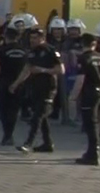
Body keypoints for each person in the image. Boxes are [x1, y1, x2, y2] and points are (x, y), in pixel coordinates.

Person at [11, 27, 63, 155]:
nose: (32, 40)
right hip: (35, 87)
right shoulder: (32, 52)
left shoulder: (51, 51)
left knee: (37, 117)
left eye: (35, 38)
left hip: (48, 87)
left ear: (42, 38)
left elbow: (60, 70)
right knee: (41, 115)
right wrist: (16, 83)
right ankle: (47, 143)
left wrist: (43, 70)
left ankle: (28, 143)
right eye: (31, 38)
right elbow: (27, 69)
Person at [72, 33, 100, 166]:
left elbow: (81, 79)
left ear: (82, 44)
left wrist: (74, 95)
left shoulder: (83, 58)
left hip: (90, 93)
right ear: (95, 44)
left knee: (90, 124)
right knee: (96, 122)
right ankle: (91, 151)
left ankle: (93, 154)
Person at [0, 28, 28, 146]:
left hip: (4, 82)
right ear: (17, 37)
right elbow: (27, 68)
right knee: (14, 109)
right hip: (19, 82)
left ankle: (7, 134)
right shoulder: (24, 51)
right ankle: (9, 134)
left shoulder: (2, 50)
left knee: (3, 109)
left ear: (6, 37)